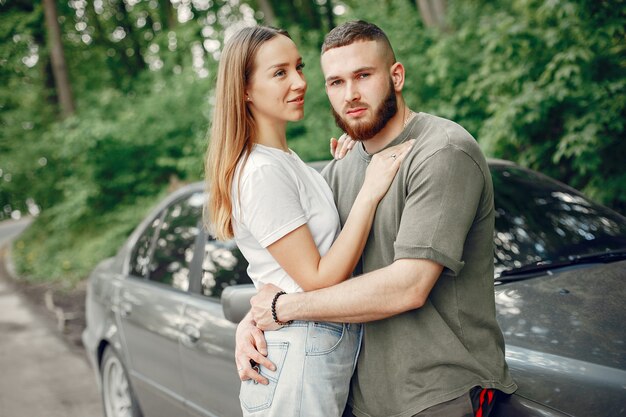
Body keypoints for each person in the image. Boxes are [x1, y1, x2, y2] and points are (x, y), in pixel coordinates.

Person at [237, 20, 517, 417]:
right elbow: (300, 267)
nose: (350, 94)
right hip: (359, 398)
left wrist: (284, 309)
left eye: (363, 76)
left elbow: (409, 287)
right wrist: (250, 322)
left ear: (396, 75)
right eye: (335, 82)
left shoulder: (441, 152)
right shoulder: (341, 169)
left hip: (439, 396)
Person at [204, 26, 413, 417]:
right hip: (299, 350)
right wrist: (370, 189)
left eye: (298, 67)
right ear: (245, 90)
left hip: (312, 343)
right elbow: (317, 277)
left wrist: (347, 165)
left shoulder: (286, 160)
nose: (300, 82)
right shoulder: (261, 170)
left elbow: (293, 266)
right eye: (280, 73)